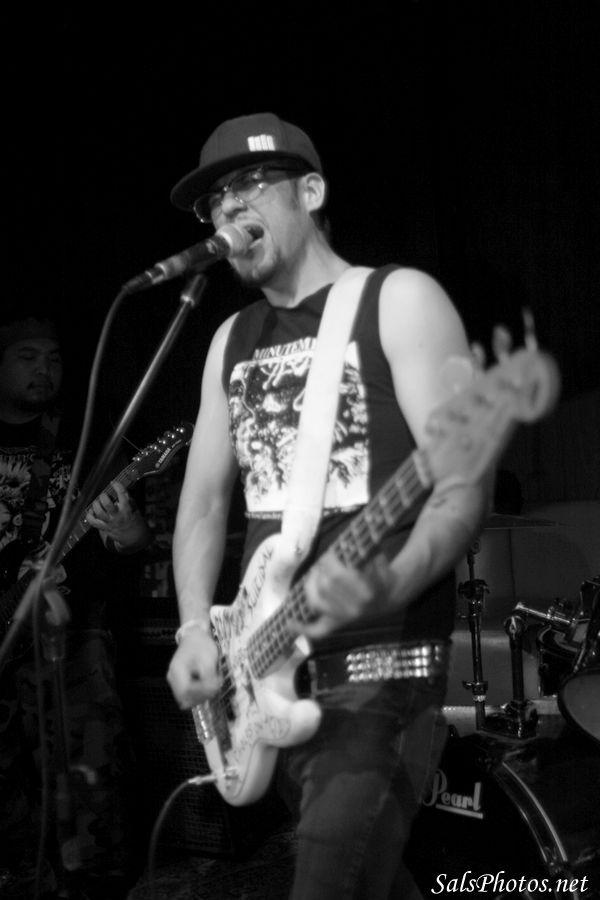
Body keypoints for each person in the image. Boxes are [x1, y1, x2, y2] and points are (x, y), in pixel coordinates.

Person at [165, 111, 494, 899]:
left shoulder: (398, 299)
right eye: (213, 201)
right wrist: (193, 628)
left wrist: (397, 575)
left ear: (310, 192)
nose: (227, 208)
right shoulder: (229, 339)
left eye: (250, 184)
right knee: (368, 876)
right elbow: (204, 505)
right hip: (266, 665)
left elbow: (462, 485)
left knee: (327, 877)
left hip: (384, 659)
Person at [0, 309, 153, 899]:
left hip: (71, 633)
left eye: (54, 358)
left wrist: (128, 527)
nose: (45, 369)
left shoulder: (82, 437)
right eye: (27, 357)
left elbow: (132, 543)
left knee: (92, 779)